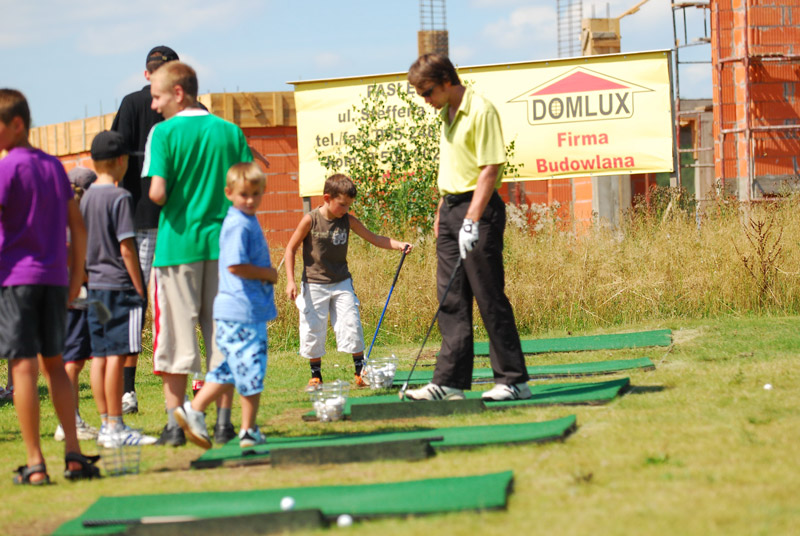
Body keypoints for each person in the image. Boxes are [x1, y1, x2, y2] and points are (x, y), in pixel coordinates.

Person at [403, 54, 531, 402]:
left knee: (489, 298)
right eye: (420, 94)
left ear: (447, 81)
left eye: (427, 92)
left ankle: (514, 380)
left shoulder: (481, 110)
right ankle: (450, 383)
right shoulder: (446, 114)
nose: (425, 100)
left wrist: (471, 220)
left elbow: (489, 168)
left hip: (479, 211)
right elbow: (455, 169)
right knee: (451, 299)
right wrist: (441, 211)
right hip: (450, 210)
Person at [144, 61, 253, 446]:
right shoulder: (229, 131)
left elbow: (157, 192)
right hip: (225, 248)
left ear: (177, 92)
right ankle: (223, 421)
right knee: (220, 336)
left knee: (174, 340)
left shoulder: (163, 133)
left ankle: (176, 426)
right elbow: (247, 185)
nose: (153, 105)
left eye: (157, 96)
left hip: (178, 248)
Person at [0, 88, 100, 484]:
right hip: (56, 280)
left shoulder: (8, 168)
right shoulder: (54, 168)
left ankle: (36, 464)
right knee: (54, 364)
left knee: (22, 367)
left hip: (16, 281)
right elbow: (78, 227)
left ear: (17, 124)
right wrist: (75, 279)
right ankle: (73, 455)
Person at [175, 162, 277, 449]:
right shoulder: (238, 223)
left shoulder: (245, 219)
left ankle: (208, 415)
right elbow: (234, 265)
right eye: (244, 194)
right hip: (241, 312)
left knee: (230, 369)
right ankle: (238, 426)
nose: (251, 200)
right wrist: (268, 273)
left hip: (242, 310)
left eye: (256, 194)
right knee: (251, 368)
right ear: (229, 193)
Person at [284, 174, 412, 388]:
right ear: (327, 198)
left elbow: (374, 237)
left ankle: (359, 373)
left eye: (348, 205)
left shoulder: (348, 220)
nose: (345, 210)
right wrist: (290, 281)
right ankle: (316, 376)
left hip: (341, 282)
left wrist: (399, 244)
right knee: (313, 329)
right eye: (342, 205)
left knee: (351, 325)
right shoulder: (311, 220)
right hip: (314, 284)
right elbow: (290, 248)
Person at [111, 45, 181, 416]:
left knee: (134, 304)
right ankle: (184, 383)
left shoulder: (129, 103)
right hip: (173, 221)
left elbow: (115, 155)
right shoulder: (179, 109)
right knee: (173, 301)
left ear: (146, 73)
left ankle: (128, 391)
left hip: (137, 219)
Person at [81, 131, 157, 447]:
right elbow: (127, 248)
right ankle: (116, 425)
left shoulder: (85, 197)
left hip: (95, 287)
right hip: (119, 287)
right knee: (117, 356)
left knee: (99, 356)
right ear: (120, 161)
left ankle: (105, 424)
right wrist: (139, 288)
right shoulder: (120, 197)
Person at [54, 167, 100, 442]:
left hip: (66, 296)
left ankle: (72, 418)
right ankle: (70, 420)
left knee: (72, 360)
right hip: (75, 297)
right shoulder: (75, 221)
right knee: (73, 361)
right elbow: (73, 259)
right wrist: (86, 277)